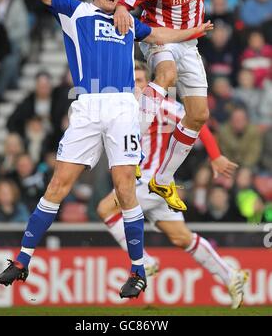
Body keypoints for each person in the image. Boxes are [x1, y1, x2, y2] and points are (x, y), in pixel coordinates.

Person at [0, 0, 212, 299]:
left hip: (123, 105)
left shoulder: (127, 22)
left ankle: (138, 270)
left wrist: (192, 32)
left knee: (125, 190)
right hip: (87, 105)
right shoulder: (75, 12)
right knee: (58, 185)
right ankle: (21, 260)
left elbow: (161, 35)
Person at [97, 61, 248, 309]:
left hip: (150, 180)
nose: (136, 85)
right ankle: (231, 276)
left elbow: (197, 121)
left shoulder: (163, 106)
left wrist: (215, 156)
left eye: (140, 81)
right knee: (181, 237)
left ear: (149, 84)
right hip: (152, 184)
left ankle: (143, 261)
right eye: (132, 81)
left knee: (105, 209)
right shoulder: (126, 108)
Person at [114, 0, 210, 212]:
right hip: (161, 38)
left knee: (199, 115)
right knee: (166, 76)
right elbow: (126, 1)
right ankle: (132, 152)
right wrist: (121, 9)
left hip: (190, 43)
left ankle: (164, 179)